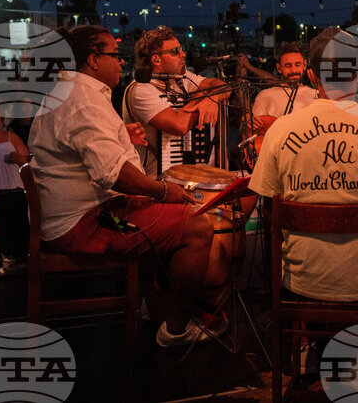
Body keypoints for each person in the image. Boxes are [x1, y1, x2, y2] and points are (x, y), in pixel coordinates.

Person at [29, 25, 224, 347]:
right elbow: (114, 175)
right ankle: (176, 328)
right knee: (197, 226)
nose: (121, 62)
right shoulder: (83, 100)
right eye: (114, 55)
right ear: (93, 60)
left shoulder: (69, 92)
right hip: (84, 221)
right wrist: (164, 191)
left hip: (77, 212)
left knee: (163, 213)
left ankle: (159, 306)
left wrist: (125, 140)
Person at [249, 27, 358, 301]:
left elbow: (271, 213)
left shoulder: (280, 131)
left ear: (311, 74)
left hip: (301, 283)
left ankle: (310, 339)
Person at [122, 26, 230, 176]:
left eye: (181, 49)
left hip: (182, 174)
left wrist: (212, 99)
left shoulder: (182, 77)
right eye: (175, 51)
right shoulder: (141, 89)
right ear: (156, 59)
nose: (183, 54)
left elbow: (222, 86)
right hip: (152, 179)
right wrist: (203, 100)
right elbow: (180, 126)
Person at [249, 42, 317, 134]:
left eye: (297, 65)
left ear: (304, 65)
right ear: (279, 68)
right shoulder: (265, 96)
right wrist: (247, 121)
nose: (293, 70)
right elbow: (252, 133)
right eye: (288, 66)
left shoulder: (316, 95)